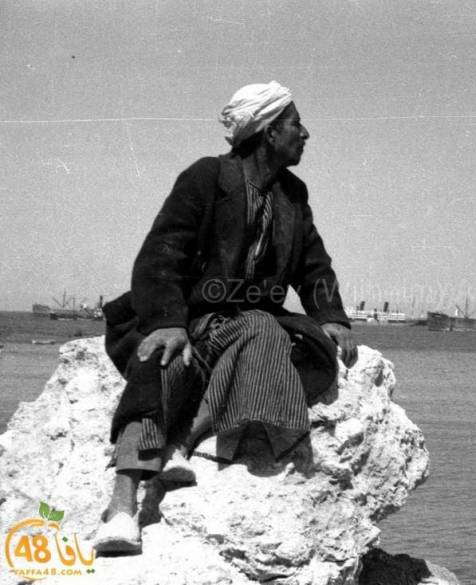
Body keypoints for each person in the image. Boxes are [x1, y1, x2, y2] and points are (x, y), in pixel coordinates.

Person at [93, 81, 357, 554]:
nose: (305, 134)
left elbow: (314, 264)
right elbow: (161, 253)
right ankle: (121, 509)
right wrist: (168, 322)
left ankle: (185, 440)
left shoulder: (293, 194)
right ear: (269, 131)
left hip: (245, 325)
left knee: (265, 330)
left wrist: (330, 316)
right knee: (161, 365)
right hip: (189, 317)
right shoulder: (208, 177)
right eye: (296, 124)